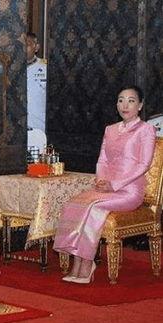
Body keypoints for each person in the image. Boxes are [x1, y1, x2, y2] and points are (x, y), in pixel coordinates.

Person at [53, 85, 156, 283]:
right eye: (121, 100)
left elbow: (144, 165)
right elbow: (102, 160)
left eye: (131, 101)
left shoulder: (146, 130)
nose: (125, 105)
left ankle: (86, 262)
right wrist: (101, 180)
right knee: (74, 203)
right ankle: (77, 261)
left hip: (129, 191)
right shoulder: (110, 129)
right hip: (106, 188)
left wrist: (114, 185)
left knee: (94, 208)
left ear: (140, 105)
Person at [27, 32, 47, 152]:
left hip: (39, 128)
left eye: (28, 44)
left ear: (36, 47)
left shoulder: (46, 68)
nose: (24, 48)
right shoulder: (10, 68)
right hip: (16, 131)